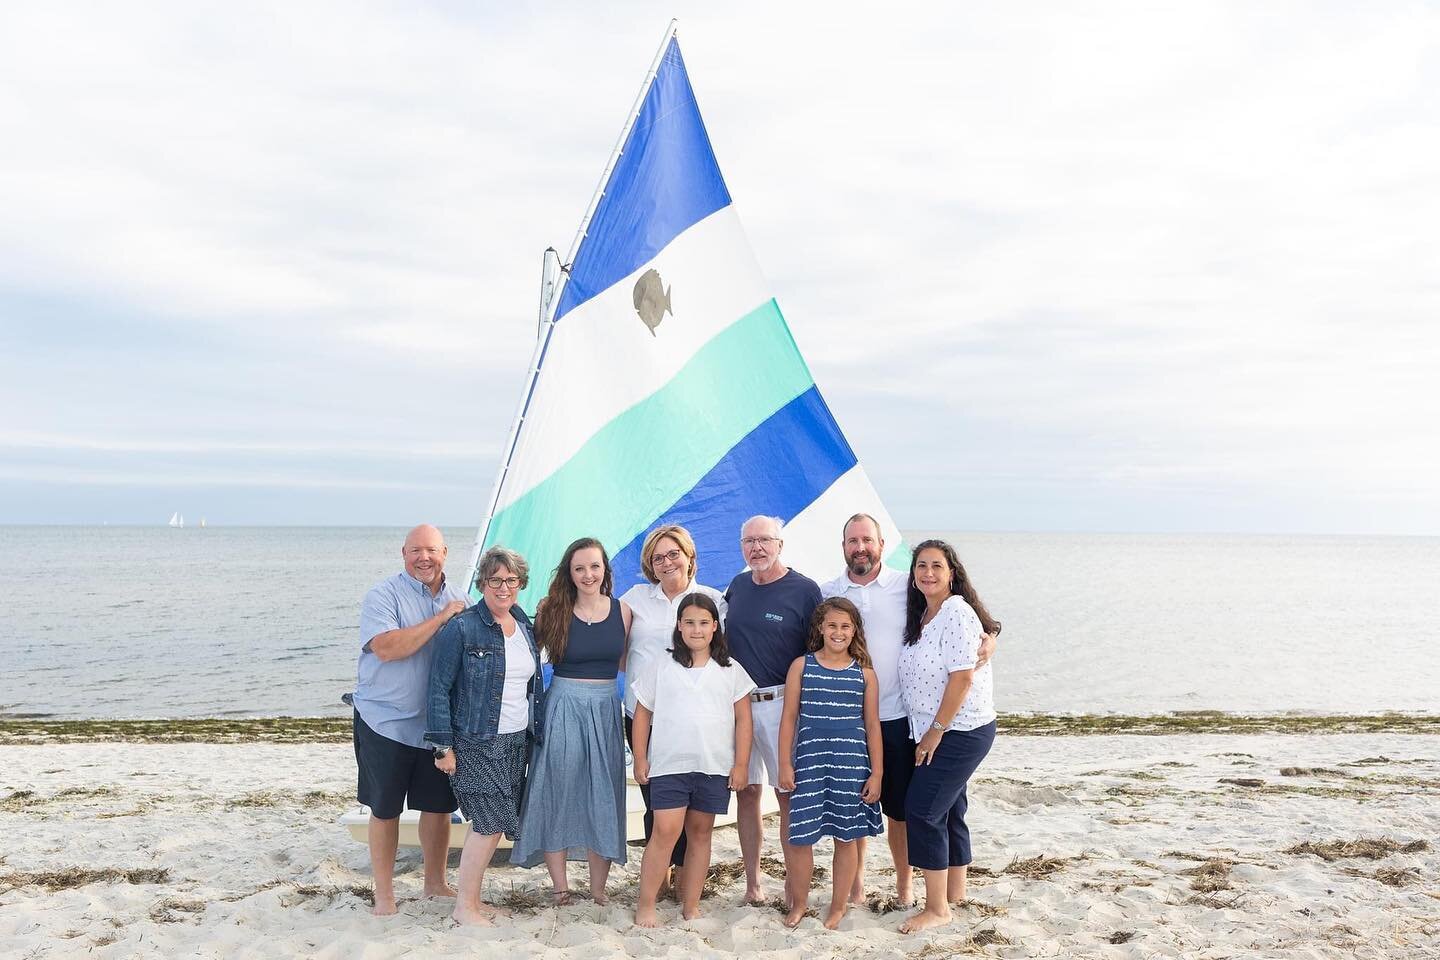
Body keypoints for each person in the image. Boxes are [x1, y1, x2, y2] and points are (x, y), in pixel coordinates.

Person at [820, 514, 997, 907]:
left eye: (868, 539)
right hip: (851, 718)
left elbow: (976, 624)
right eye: (852, 540)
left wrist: (991, 641)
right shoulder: (828, 590)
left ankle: (906, 887)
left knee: (903, 809)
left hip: (902, 719)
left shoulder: (908, 585)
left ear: (882, 545)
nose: (860, 546)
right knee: (855, 804)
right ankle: (857, 888)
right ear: (843, 546)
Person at [425, 546, 544, 926]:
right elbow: (438, 688)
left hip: (515, 741)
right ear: (482, 583)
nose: (504, 587)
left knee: (491, 827)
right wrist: (442, 746)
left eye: (511, 580)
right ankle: (464, 908)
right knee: (488, 824)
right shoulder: (462, 627)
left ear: (520, 584)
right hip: (476, 742)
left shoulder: (523, 623)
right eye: (495, 579)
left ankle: (472, 900)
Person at [353, 524, 467, 916]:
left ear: (445, 553)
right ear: (403, 553)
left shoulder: (460, 599)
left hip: (436, 727)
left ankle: (435, 883)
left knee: (438, 808)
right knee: (385, 809)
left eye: (431, 550)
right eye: (416, 550)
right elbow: (387, 648)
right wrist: (441, 619)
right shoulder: (383, 595)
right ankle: (384, 895)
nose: (424, 557)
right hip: (385, 722)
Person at [513, 537, 633, 904]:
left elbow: (626, 665)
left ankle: (598, 891)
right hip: (562, 704)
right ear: (569, 571)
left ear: (605, 570)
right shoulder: (551, 608)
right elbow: (525, 655)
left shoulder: (624, 611)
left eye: (594, 566)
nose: (587, 574)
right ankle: (561, 888)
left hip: (605, 708)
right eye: (579, 567)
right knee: (557, 790)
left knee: (603, 793)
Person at [630, 593, 754, 927]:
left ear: (715, 626)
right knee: (665, 832)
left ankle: (691, 905)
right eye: (689, 622)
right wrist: (640, 757)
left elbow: (744, 720)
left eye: (703, 623)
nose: (696, 630)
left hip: (713, 766)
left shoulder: (730, 670)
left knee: (701, 834)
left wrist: (741, 764)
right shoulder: (662, 664)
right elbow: (642, 715)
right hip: (669, 765)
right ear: (679, 627)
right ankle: (646, 905)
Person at [895, 539, 1000, 934]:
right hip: (935, 728)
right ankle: (956, 892)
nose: (928, 573)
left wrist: (935, 732)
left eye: (936, 566)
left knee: (923, 809)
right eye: (921, 566)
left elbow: (962, 678)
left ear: (951, 572)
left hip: (960, 728)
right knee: (951, 806)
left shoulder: (955, 610)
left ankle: (937, 908)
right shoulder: (925, 614)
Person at [619, 524, 727, 893]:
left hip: (695, 721)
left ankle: (684, 876)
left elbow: (722, 657)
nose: (666, 562)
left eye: (673, 554)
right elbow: (616, 651)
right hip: (643, 716)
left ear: (689, 556)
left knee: (693, 804)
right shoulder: (635, 598)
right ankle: (660, 876)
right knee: (657, 802)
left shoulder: (713, 599)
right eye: (657, 557)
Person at [723, 515, 822, 906]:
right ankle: (753, 884)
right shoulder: (738, 585)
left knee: (787, 795)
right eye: (749, 541)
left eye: (765, 540)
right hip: (740, 704)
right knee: (746, 793)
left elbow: (820, 650)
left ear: (780, 544)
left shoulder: (804, 590)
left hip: (784, 705)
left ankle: (792, 886)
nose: (757, 548)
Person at [778, 597, 883, 929]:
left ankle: (838, 906)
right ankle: (799, 904)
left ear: (854, 631)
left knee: (846, 836)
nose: (838, 632)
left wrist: (877, 773)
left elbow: (872, 726)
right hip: (809, 761)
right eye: (832, 625)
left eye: (845, 626)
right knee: (800, 837)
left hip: (851, 764)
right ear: (820, 628)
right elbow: (789, 719)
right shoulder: (801, 666)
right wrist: (784, 763)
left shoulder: (865, 674)